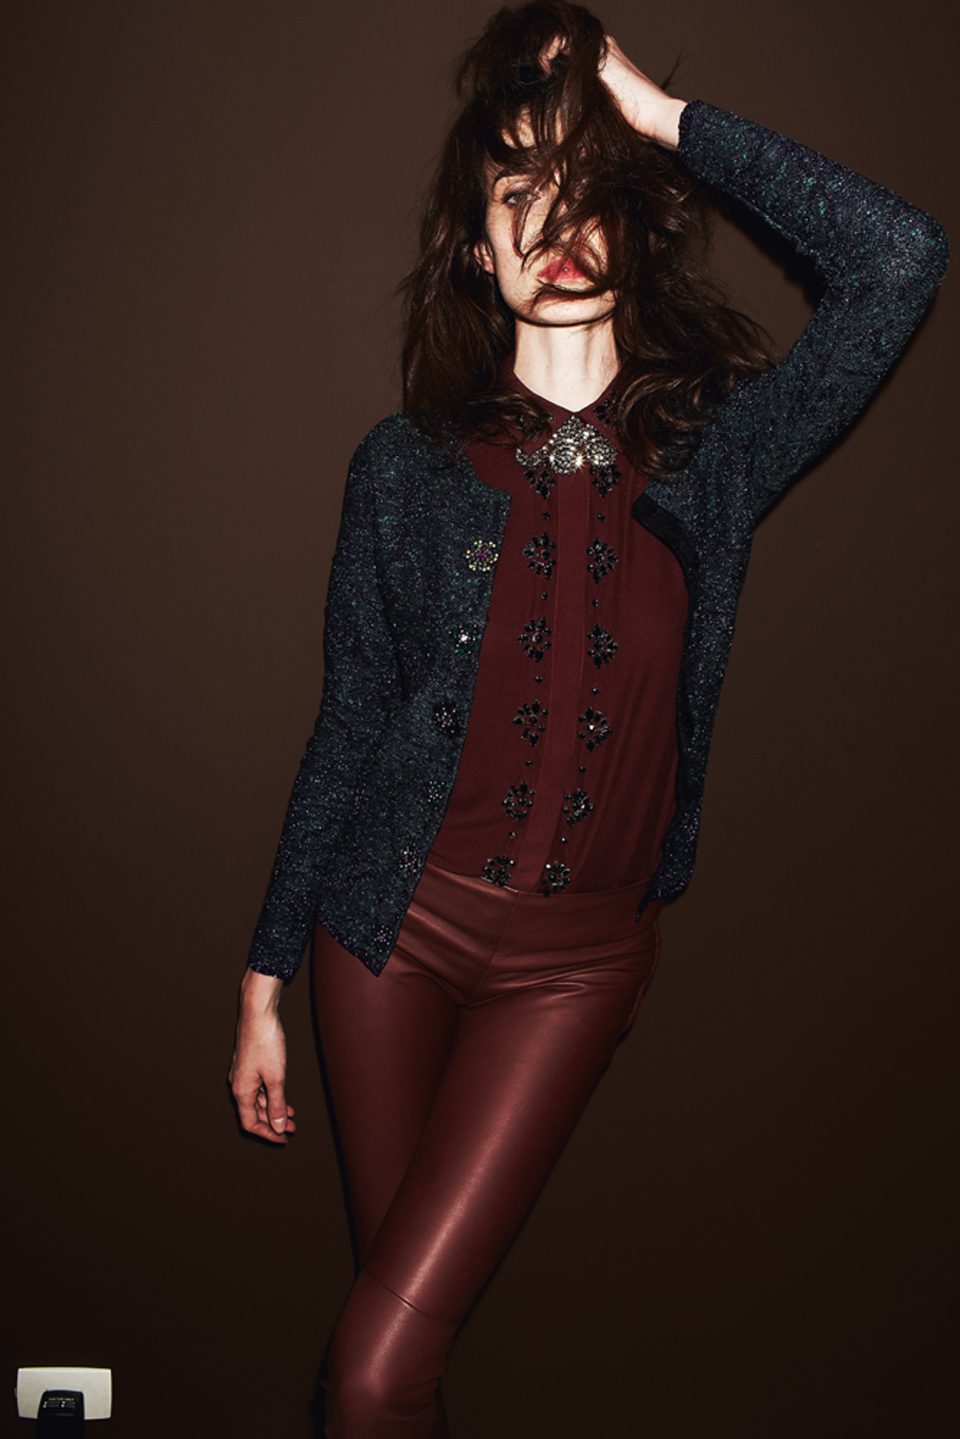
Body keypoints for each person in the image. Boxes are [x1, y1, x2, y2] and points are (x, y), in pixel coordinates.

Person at [228, 3, 949, 1433]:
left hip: (574, 965)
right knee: (401, 1354)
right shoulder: (403, 469)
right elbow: (350, 722)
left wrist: (663, 118)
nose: (555, 222)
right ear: (478, 250)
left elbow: (903, 258)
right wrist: (262, 980)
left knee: (369, 1370)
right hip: (381, 934)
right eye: (519, 194)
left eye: (587, 190)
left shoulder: (714, 456)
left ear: (633, 225)